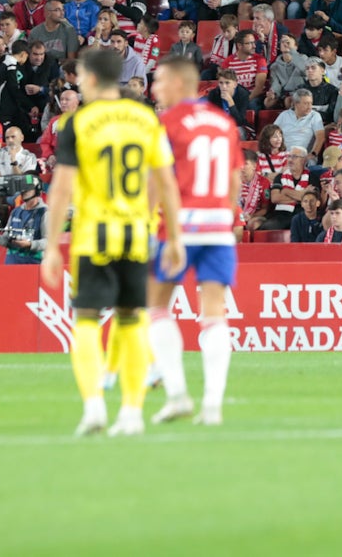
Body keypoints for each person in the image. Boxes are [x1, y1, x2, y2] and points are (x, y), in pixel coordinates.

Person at [40, 47, 185, 438]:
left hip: (93, 234)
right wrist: (172, 236)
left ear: (88, 79)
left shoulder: (78, 122)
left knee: (86, 319)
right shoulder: (145, 118)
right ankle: (133, 411)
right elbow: (166, 183)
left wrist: (52, 244)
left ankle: (93, 407)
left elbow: (62, 188)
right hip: (137, 233)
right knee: (132, 317)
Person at [145, 56, 242, 427]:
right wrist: (226, 218)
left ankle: (178, 395)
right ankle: (213, 405)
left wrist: (150, 223)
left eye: (159, 82)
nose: (154, 89)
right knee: (214, 312)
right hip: (218, 224)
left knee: (156, 307)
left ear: (179, 85)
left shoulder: (167, 123)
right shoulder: (223, 122)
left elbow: (160, 180)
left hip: (179, 224)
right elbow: (235, 180)